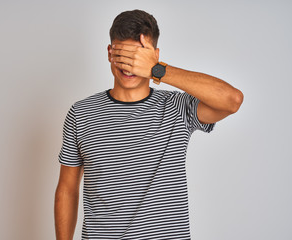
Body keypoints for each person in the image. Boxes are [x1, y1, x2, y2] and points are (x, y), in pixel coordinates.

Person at [54, 9, 243, 240]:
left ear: (154, 55)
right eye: (122, 55)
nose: (129, 66)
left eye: (137, 57)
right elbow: (67, 189)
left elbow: (232, 100)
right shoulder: (81, 113)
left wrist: (157, 70)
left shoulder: (177, 108)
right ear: (109, 52)